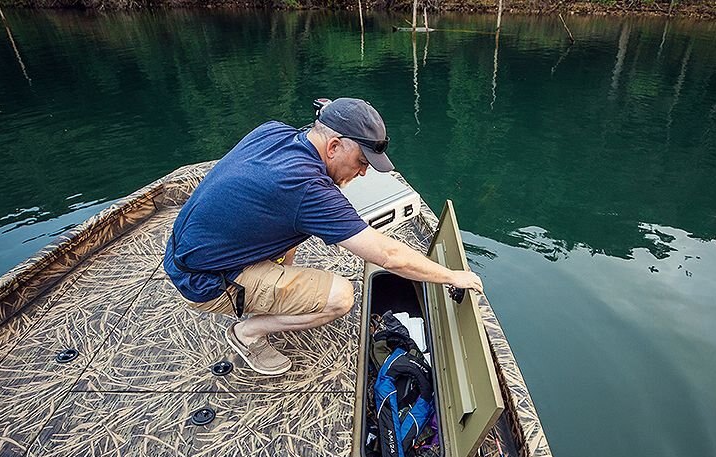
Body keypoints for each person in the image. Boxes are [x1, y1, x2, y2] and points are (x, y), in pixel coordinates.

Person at [164, 98, 483, 376]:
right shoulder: (305, 189)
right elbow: (387, 255)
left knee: (289, 230)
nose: (362, 173)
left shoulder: (274, 132)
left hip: (187, 249)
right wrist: (451, 276)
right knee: (339, 297)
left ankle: (267, 293)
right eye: (361, 162)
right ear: (333, 146)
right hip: (205, 282)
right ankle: (248, 332)